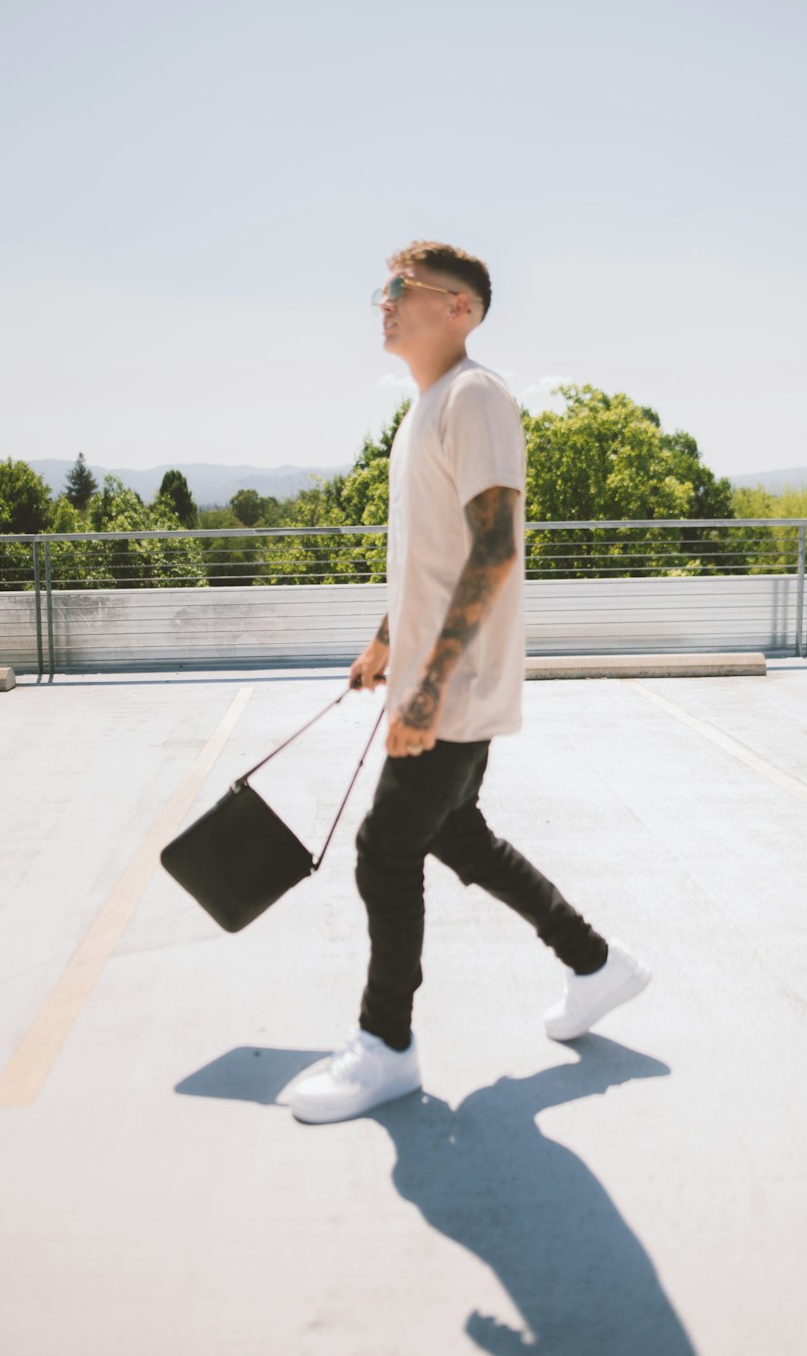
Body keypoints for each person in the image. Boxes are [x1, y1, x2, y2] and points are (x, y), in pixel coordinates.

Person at [286, 241, 651, 1126]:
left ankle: (386, 1046)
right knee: (460, 839)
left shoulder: (475, 396)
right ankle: (597, 963)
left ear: (460, 308)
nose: (383, 302)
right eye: (383, 287)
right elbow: (430, 556)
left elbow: (495, 547)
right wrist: (385, 640)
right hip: (432, 678)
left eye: (399, 289)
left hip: (451, 689)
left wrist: (425, 688)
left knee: (384, 851)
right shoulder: (426, 410)